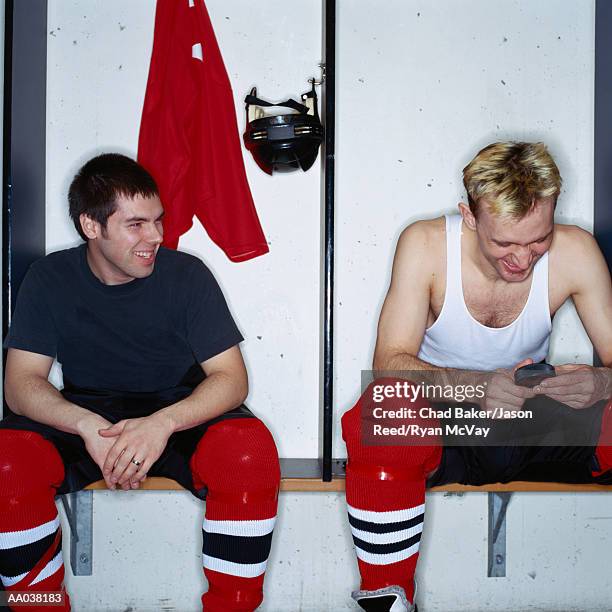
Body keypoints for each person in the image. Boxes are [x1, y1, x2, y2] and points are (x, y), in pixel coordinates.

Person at [0, 154, 280, 612]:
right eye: (136, 225)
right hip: (88, 413)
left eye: (157, 221)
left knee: (247, 454)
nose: (156, 237)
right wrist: (87, 426)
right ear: (92, 225)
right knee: (6, 461)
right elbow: (21, 384)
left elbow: (231, 380)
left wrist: (161, 423)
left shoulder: (187, 275)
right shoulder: (49, 278)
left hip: (177, 409)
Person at [341, 142, 612, 611]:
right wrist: (476, 386)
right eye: (505, 243)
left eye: (537, 241)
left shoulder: (575, 250)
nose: (523, 260)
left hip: (531, 425)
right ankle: (388, 599)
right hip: (451, 426)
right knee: (385, 410)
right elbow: (389, 364)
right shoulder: (425, 243)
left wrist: (600, 383)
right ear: (469, 215)